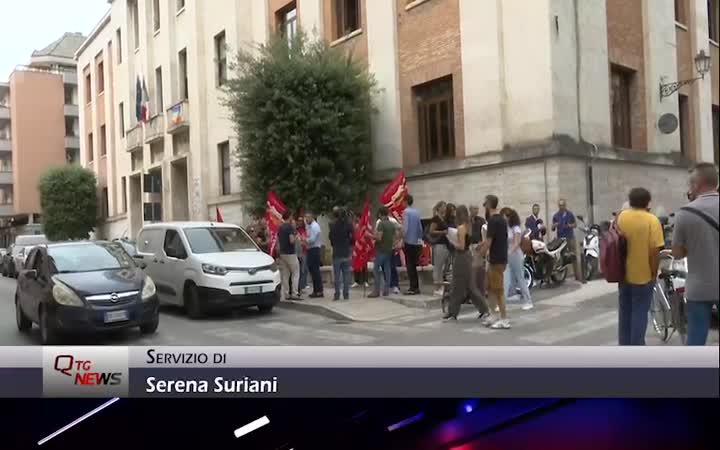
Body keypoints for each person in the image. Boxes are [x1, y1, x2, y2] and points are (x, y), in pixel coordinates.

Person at [672, 163, 719, 346]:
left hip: (699, 287)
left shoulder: (685, 213)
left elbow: (677, 253)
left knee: (696, 337)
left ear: (697, 184)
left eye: (690, 184)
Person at [616, 188, 665, 346]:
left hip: (622, 274)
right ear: (648, 202)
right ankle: (637, 347)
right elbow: (654, 252)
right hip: (643, 276)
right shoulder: (652, 220)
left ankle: (624, 345)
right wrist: (653, 272)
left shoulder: (621, 217)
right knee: (639, 312)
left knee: (625, 312)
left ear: (630, 201)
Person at [443, 205, 489, 321]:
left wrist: (452, 241)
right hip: (467, 256)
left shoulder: (461, 228)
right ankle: (484, 309)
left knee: (457, 285)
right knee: (470, 286)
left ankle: (452, 312)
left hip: (461, 257)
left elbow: (461, 246)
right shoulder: (468, 225)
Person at [479, 195, 510, 329]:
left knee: (498, 290)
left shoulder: (492, 221)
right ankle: (493, 315)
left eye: (484, 203)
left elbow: (489, 242)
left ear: (489, 204)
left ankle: (504, 319)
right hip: (500, 257)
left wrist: (479, 255)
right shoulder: (502, 220)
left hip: (496, 259)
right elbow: (496, 240)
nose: (483, 206)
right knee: (490, 288)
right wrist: (482, 245)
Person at [502, 208, 533, 311]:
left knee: (520, 277)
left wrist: (510, 251)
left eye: (507, 215)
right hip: (507, 254)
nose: (505, 217)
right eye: (503, 215)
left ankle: (528, 301)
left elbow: (517, 242)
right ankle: (504, 302)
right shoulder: (505, 228)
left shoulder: (516, 228)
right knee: (506, 278)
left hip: (516, 254)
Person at [552, 199, 584, 282]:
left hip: (570, 237)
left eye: (562, 205)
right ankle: (562, 276)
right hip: (560, 239)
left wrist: (570, 225)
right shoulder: (556, 215)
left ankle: (578, 276)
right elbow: (552, 228)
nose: (561, 207)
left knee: (573, 255)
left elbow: (575, 225)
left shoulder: (570, 214)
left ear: (565, 205)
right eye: (560, 205)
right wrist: (554, 225)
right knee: (561, 257)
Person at [369, 207, 397, 298]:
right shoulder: (391, 224)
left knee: (376, 270)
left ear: (380, 214)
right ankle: (386, 290)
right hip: (389, 249)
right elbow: (396, 236)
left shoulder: (381, 224)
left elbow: (379, 238)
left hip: (381, 250)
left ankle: (376, 291)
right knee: (387, 270)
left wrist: (370, 236)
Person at [329, 208, 354, 301]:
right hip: (346, 251)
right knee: (346, 274)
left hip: (336, 252)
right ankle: (346, 293)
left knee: (337, 275)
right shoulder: (348, 225)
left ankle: (337, 294)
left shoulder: (333, 225)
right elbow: (352, 238)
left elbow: (330, 238)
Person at [277, 211, 301, 301]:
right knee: (296, 273)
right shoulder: (289, 227)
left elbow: (278, 241)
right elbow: (291, 240)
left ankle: (286, 293)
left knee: (285, 274)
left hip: (283, 253)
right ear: (289, 217)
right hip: (290, 253)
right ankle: (295, 293)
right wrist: (296, 238)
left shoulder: (280, 227)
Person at [402, 195, 424, 295]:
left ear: (406, 201)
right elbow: (420, 228)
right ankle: (416, 287)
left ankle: (412, 287)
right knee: (414, 265)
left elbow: (405, 227)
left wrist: (402, 238)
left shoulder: (406, 212)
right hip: (416, 242)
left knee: (410, 265)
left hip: (409, 241)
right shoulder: (416, 212)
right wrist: (420, 240)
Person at [376, 213, 402, 295]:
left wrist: (396, 242)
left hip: (386, 248)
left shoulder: (389, 222)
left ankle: (393, 285)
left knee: (388, 267)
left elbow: (378, 236)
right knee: (387, 267)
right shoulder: (381, 222)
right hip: (387, 248)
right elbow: (398, 232)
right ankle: (391, 285)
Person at [429, 201, 450, 297]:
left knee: (443, 266)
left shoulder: (444, 218)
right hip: (439, 244)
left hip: (445, 244)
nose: (445, 208)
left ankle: (441, 286)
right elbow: (431, 231)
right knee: (438, 266)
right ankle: (437, 287)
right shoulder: (436, 219)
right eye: (443, 206)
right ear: (439, 208)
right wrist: (442, 232)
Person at [469, 205, 487, 300]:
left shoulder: (481, 220)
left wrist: (482, 243)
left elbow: (484, 233)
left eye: (477, 209)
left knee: (478, 267)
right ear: (470, 210)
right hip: (469, 245)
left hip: (479, 245)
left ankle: (480, 291)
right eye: (474, 209)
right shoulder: (467, 220)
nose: (476, 211)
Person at [304, 212, 324, 298]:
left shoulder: (315, 226)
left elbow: (312, 239)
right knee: (312, 270)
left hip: (314, 249)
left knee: (315, 270)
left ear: (312, 217)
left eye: (308, 217)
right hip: (310, 249)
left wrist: (304, 239)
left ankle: (319, 290)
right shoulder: (309, 226)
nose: (306, 219)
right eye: (306, 217)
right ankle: (316, 290)